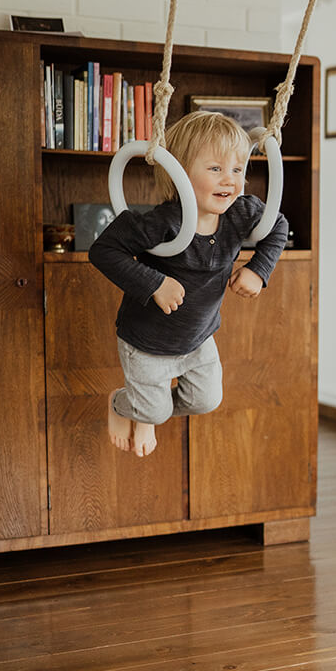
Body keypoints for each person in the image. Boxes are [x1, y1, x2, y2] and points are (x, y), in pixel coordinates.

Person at [89, 111, 288, 457]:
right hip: (147, 343)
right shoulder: (163, 222)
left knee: (206, 399)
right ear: (178, 173)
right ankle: (126, 405)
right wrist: (154, 283)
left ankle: (146, 406)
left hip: (198, 339)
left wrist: (258, 269)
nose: (230, 180)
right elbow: (103, 250)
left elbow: (279, 225)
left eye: (237, 170)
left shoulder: (240, 213)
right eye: (215, 169)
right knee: (154, 410)